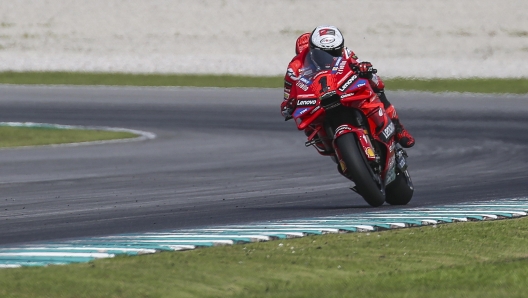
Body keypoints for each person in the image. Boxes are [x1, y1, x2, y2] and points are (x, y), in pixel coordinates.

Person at [281, 25, 415, 148]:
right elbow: (287, 97)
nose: (331, 56)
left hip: (341, 88)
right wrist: (289, 106)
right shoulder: (294, 68)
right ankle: (329, 145)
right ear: (311, 50)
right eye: (323, 53)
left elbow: (358, 64)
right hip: (317, 99)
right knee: (306, 124)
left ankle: (398, 129)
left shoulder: (345, 52)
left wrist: (364, 69)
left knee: (375, 82)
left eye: (334, 52)